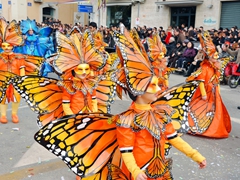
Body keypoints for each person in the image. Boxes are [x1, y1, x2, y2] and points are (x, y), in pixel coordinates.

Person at [186, 31, 231, 138]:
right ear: (208, 57)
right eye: (213, 56)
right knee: (202, 111)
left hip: (214, 93)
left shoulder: (215, 68)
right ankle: (199, 126)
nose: (216, 58)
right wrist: (203, 94)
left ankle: (213, 127)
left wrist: (218, 92)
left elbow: (216, 81)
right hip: (205, 94)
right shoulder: (204, 68)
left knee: (214, 112)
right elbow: (201, 82)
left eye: (216, 56)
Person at [0, 18, 25, 124]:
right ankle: (3, 115)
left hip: (15, 81)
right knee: (3, 97)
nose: (6, 48)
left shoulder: (19, 57)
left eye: (9, 45)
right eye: (4, 46)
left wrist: (22, 80)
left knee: (16, 97)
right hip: (2, 81)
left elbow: (22, 69)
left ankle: (14, 114)